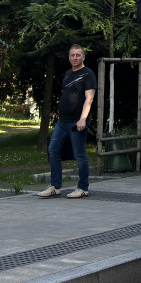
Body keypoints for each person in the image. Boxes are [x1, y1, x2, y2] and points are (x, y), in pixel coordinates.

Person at [39, 43, 96, 198]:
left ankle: (83, 187)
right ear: (69, 57)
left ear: (83, 57)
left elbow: (89, 99)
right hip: (62, 121)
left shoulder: (88, 74)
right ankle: (55, 186)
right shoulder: (67, 74)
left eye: (78, 55)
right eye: (72, 55)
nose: (75, 57)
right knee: (53, 150)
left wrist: (82, 119)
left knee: (79, 154)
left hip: (77, 122)